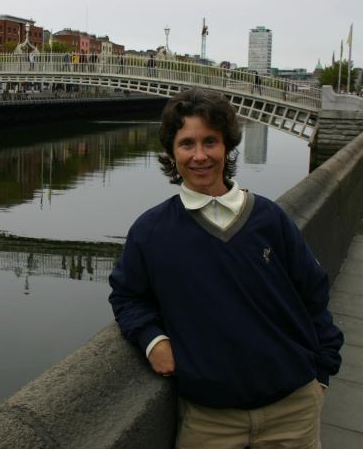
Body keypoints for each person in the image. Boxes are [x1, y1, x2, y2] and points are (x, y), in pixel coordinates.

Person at [109, 88, 343, 448]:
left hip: (293, 409)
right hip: (209, 418)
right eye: (187, 144)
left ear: (227, 147)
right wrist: (152, 339)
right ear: (172, 153)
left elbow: (314, 293)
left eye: (210, 142)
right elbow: (127, 296)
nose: (199, 156)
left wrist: (322, 372)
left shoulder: (269, 219)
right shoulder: (151, 232)